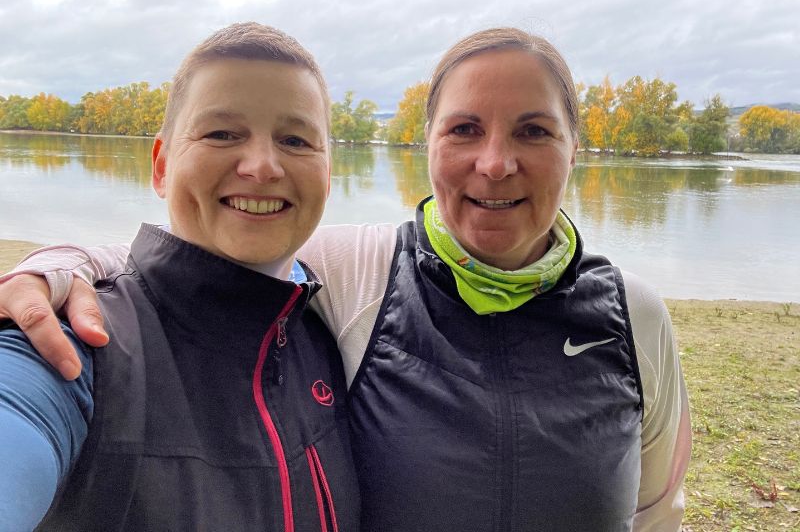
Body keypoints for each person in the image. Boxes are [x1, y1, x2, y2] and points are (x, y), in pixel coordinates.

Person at [1, 28, 690, 531]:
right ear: (429, 148)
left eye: (534, 131)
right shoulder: (360, 271)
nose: (495, 162)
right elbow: (192, 264)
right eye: (465, 129)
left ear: (577, 149)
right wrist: (55, 268)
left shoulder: (635, 315)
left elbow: (657, 512)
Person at [0, 22, 360, 531]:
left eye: (295, 139)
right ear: (161, 165)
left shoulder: (337, 324)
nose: (261, 165)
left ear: (328, 174)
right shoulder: (78, 343)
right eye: (221, 133)